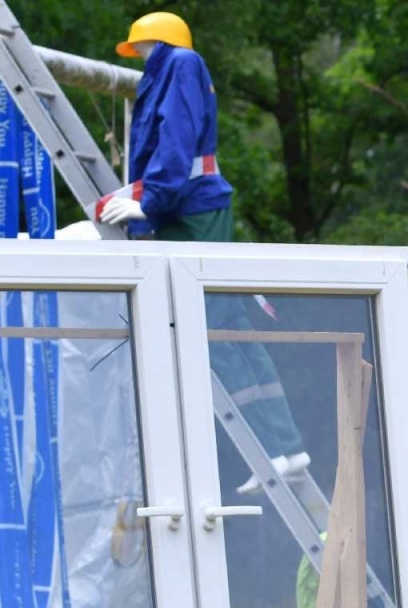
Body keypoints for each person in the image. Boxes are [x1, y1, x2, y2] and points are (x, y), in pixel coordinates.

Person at [99, 11, 308, 494]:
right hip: (190, 206)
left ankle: (272, 450)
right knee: (230, 325)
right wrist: (145, 198)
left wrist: (146, 202)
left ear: (159, 43)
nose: (142, 57)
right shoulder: (172, 69)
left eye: (144, 48)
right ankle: (287, 447)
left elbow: (174, 139)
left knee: (213, 331)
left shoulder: (181, 65)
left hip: (189, 208)